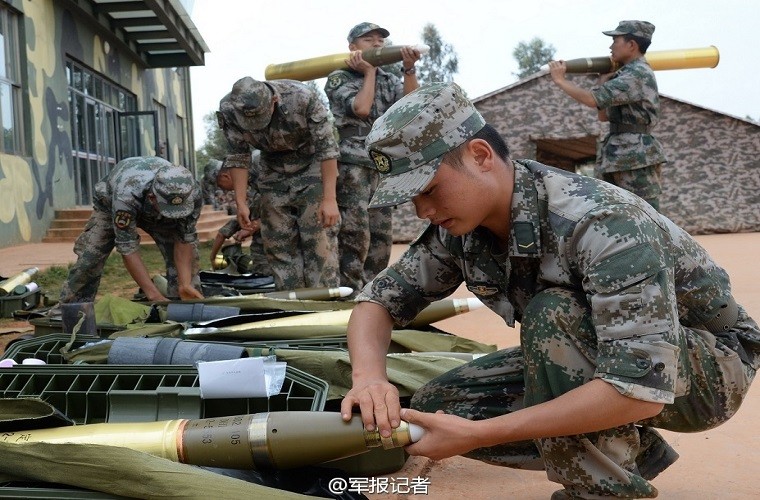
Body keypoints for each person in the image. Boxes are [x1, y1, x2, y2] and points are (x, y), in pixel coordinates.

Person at [340, 82, 758, 498]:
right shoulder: (461, 229)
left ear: (480, 156)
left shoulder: (600, 222)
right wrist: (369, 379)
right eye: (411, 199)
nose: (422, 211)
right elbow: (376, 302)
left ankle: (600, 491)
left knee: (551, 312)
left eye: (429, 189)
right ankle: (624, 450)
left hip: (712, 366)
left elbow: (641, 390)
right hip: (620, 359)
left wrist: (480, 435)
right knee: (436, 410)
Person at [325, 22, 421, 296]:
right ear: (353, 47)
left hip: (382, 163)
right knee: (355, 234)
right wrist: (368, 73)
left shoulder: (390, 79)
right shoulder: (338, 78)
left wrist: (409, 70)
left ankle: (373, 292)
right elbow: (361, 108)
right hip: (353, 164)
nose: (378, 44)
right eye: (369, 40)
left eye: (381, 40)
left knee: (380, 235)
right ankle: (349, 293)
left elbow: (410, 108)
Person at [216, 76, 340, 291]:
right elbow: (238, 155)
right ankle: (291, 303)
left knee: (318, 241)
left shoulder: (302, 98)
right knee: (278, 242)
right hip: (271, 168)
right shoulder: (229, 109)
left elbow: (327, 150)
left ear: (274, 100)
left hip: (310, 164)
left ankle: (324, 302)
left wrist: (329, 199)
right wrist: (241, 201)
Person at [549, 20, 667, 210]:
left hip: (636, 156)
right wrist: (603, 81)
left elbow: (592, 100)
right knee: (615, 213)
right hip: (617, 154)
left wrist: (561, 81)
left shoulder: (637, 74)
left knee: (645, 214)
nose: (610, 46)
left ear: (631, 45)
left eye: (615, 40)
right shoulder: (623, 73)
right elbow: (602, 116)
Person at [60, 156, 204, 303]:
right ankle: (71, 310)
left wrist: (184, 283)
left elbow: (184, 239)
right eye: (168, 209)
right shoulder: (126, 195)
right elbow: (127, 249)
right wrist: (154, 295)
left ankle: (183, 305)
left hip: (152, 207)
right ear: (152, 198)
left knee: (189, 268)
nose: (175, 213)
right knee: (90, 258)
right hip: (110, 205)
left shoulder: (192, 193)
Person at [207, 155, 271, 276]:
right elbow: (223, 232)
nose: (224, 191)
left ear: (225, 176)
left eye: (220, 186)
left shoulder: (262, 176)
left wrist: (255, 226)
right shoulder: (253, 191)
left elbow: (282, 212)